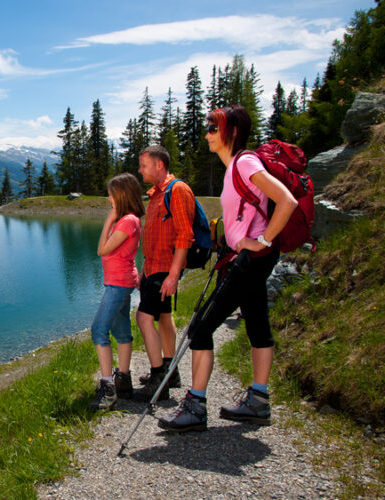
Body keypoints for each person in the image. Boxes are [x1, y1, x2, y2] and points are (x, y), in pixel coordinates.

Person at [158, 104, 297, 432]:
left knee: (200, 328)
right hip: (248, 259)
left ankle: (195, 406)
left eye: (212, 128)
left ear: (231, 132)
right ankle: (258, 402)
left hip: (249, 261)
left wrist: (261, 240)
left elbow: (287, 200)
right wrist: (233, 238)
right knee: (258, 324)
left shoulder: (245, 162)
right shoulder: (235, 165)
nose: (206, 133)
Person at [134, 145, 195, 402]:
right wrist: (145, 272)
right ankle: (171, 372)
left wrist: (172, 274)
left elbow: (185, 234)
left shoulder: (177, 190)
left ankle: (159, 377)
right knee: (164, 317)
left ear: (159, 165)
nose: (140, 170)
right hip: (153, 267)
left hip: (164, 269)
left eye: (144, 165)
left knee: (144, 318)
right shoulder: (158, 194)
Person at [88, 173, 145, 409]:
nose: (108, 198)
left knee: (98, 330)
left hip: (119, 284)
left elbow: (102, 250)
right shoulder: (129, 220)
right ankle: (123, 380)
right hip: (120, 282)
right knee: (121, 332)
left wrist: (108, 220)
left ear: (121, 195)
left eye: (111, 194)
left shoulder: (127, 221)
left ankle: (107, 388)